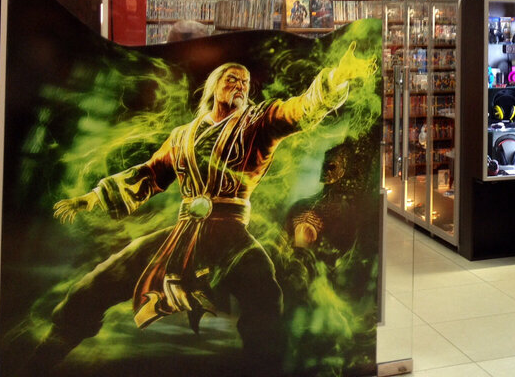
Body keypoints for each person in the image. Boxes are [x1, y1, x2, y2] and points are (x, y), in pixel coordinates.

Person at [35, 51, 368, 372]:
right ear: (213, 86)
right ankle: (49, 350)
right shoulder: (182, 136)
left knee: (265, 296)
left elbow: (298, 110)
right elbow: (151, 173)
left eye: (245, 82)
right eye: (232, 79)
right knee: (105, 278)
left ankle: (265, 366)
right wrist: (93, 198)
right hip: (183, 234)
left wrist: (335, 80)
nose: (240, 86)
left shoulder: (258, 122)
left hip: (231, 236)